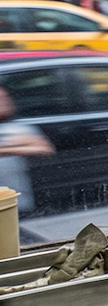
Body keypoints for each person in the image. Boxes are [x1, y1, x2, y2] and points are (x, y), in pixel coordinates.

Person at [0, 86, 53, 217]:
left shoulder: (17, 128)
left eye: (5, 98)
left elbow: (44, 148)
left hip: (16, 202)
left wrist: (7, 149)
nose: (4, 102)